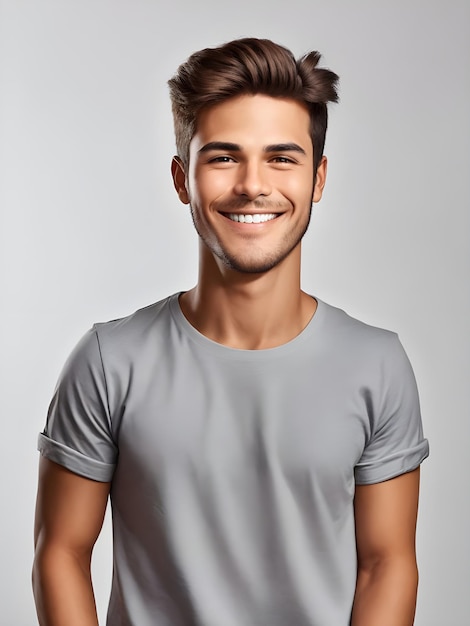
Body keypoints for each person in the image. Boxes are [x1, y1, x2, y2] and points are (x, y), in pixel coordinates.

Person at [32, 38, 429, 626]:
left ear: (318, 178)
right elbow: (60, 554)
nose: (252, 184)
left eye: (282, 158)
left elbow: (386, 564)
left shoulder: (377, 364)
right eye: (222, 157)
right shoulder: (108, 361)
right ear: (181, 179)